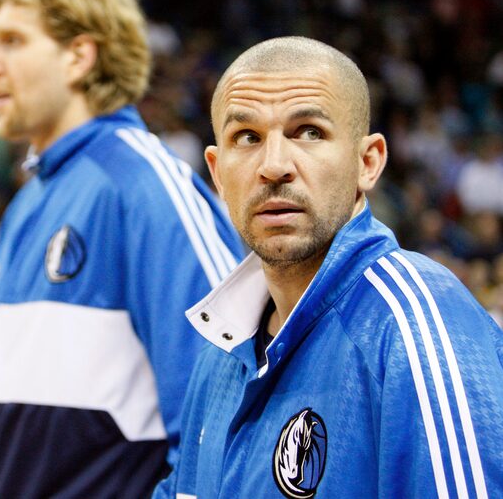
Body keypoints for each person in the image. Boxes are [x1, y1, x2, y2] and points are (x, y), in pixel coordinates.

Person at [154, 37, 503, 498]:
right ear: (218, 174)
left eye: (309, 132)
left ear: (368, 162)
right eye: (247, 137)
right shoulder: (219, 351)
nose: (274, 166)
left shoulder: (415, 326)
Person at [0, 0, 244, 496]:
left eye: (11, 41)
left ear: (79, 56)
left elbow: (225, 411)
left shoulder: (145, 187)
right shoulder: (28, 202)